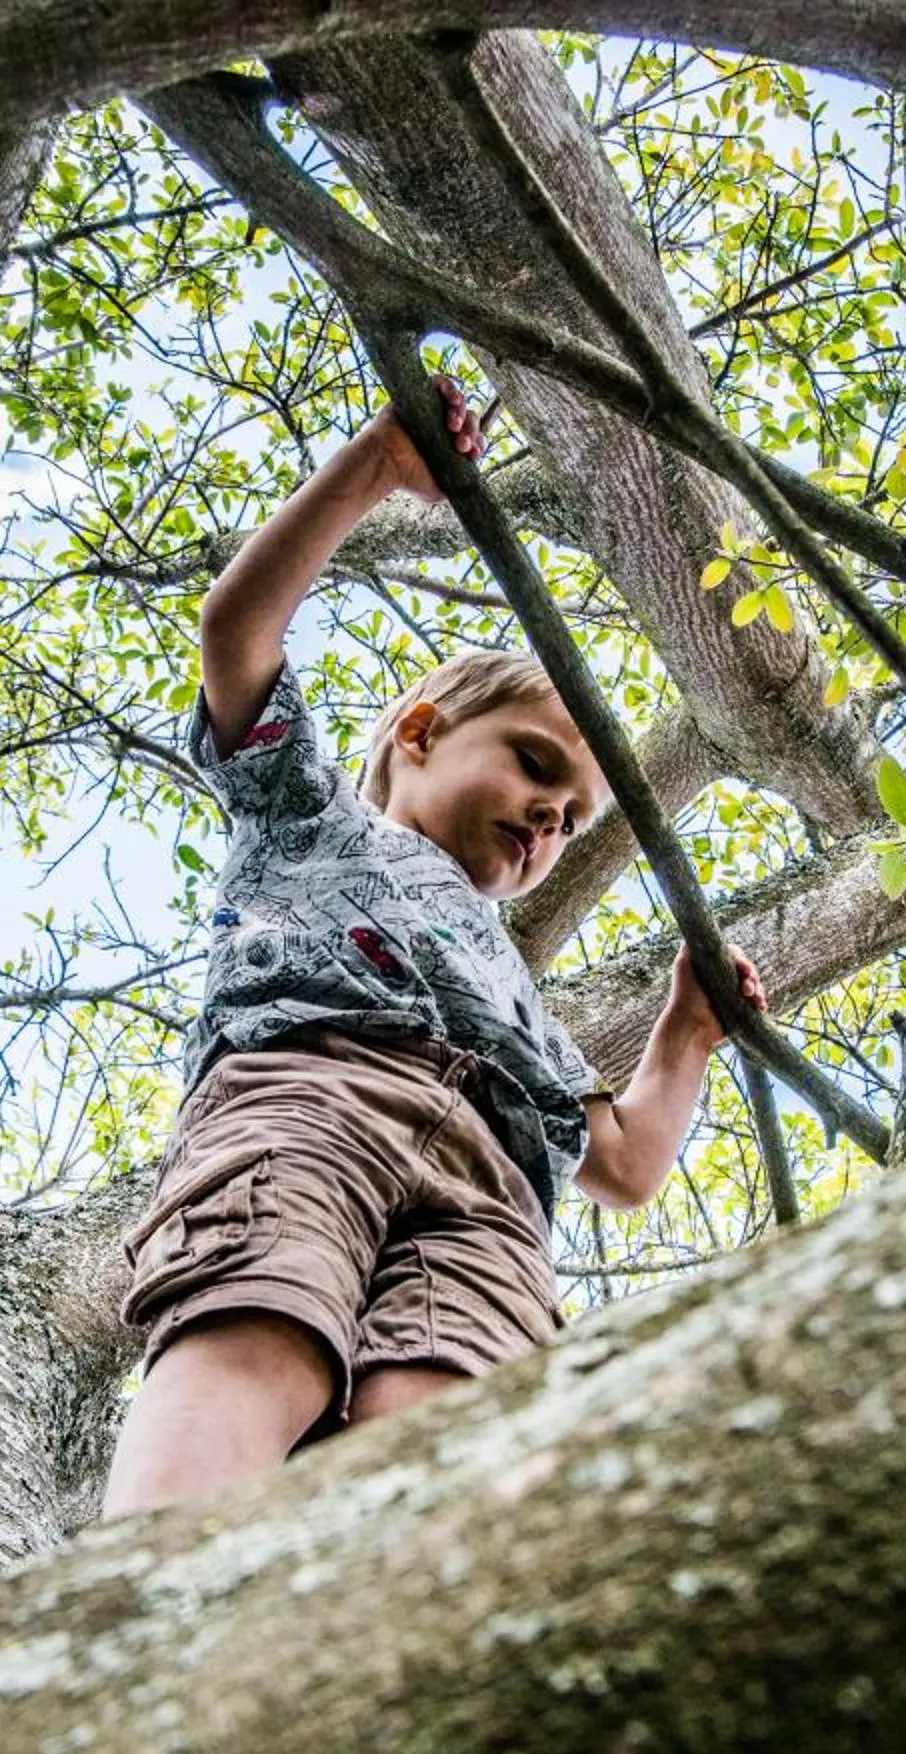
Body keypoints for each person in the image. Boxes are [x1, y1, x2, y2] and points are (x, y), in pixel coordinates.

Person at [99, 378, 763, 1519]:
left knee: (444, 1430)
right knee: (261, 1319)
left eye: (573, 822)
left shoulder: (518, 1002)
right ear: (418, 732)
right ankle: (147, 1580)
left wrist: (686, 1033)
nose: (550, 818)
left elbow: (625, 1164)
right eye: (536, 767)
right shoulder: (314, 815)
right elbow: (235, 632)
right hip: (317, 1087)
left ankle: (387, 1603)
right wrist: (375, 468)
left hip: (495, 1184)